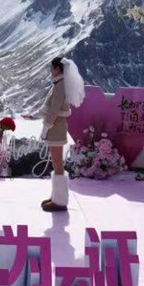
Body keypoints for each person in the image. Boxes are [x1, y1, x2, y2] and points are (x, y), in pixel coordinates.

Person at [25, 56, 85, 212]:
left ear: (58, 69)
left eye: (51, 68)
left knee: (58, 164)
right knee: (56, 163)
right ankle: (56, 196)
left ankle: (60, 201)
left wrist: (45, 130)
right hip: (56, 125)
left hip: (56, 126)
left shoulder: (60, 86)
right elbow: (49, 108)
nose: (50, 71)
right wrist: (34, 116)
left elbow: (52, 112)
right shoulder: (59, 84)